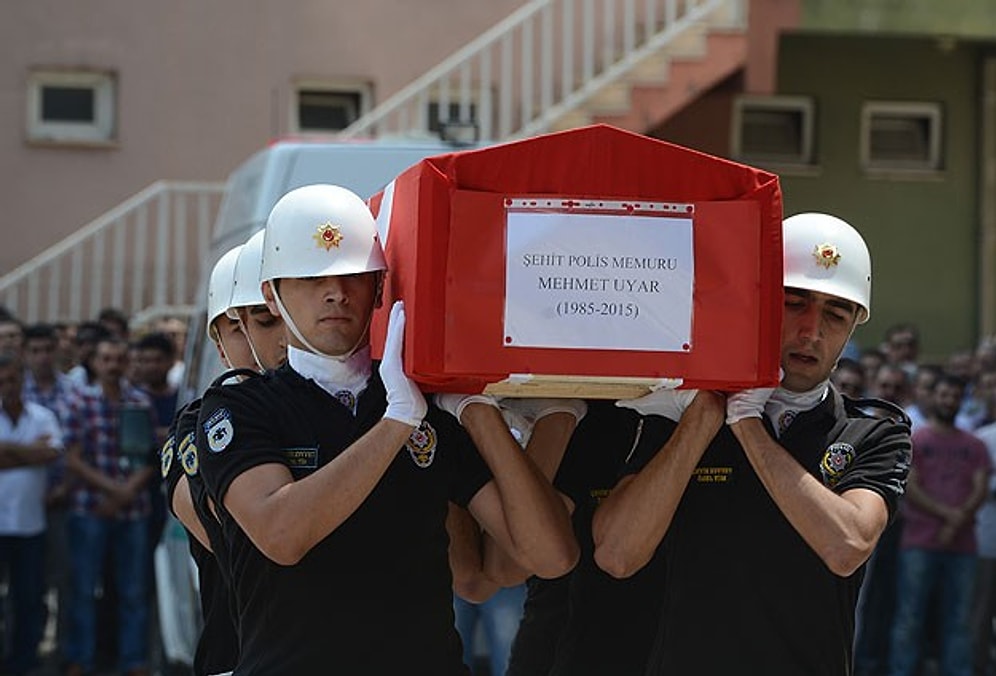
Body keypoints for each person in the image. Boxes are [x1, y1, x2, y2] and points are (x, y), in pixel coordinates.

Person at [196, 184, 577, 674]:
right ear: (272, 295)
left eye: (354, 275)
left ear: (380, 287)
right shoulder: (239, 407)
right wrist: (394, 422)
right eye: (313, 278)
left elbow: (550, 557)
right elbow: (282, 534)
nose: (336, 292)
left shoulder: (422, 404)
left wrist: (474, 408)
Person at [592, 212, 912, 675]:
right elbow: (617, 555)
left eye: (835, 315)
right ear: (759, 304)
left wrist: (747, 427)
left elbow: (846, 545)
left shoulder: (871, 431)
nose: (811, 330)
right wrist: (704, 418)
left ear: (851, 329)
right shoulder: (684, 415)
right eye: (793, 303)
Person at [162, 238, 286, 676]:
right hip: (237, 655)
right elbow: (252, 538)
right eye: (240, 327)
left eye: (276, 321)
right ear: (218, 342)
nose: (263, 340)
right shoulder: (193, 427)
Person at [62, 337, 158, 676]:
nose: (113, 365)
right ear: (95, 362)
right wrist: (114, 491)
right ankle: (81, 658)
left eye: (119, 358)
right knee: (84, 589)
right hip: (90, 508)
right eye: (106, 358)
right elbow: (71, 459)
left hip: (133, 509)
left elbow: (151, 456)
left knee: (132, 591)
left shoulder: (140, 401)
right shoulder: (78, 401)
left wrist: (125, 491)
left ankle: (133, 660)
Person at [889, 373, 991, 676]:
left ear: (962, 401)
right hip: (919, 542)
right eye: (944, 394)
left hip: (964, 545)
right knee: (910, 617)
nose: (949, 401)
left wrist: (954, 519)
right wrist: (949, 516)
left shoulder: (975, 445)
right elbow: (911, 485)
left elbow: (980, 487)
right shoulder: (916, 439)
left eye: (955, 396)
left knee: (959, 621)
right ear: (933, 397)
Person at [0, 354, 63, 676]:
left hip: (30, 524)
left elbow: (52, 454)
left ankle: (24, 660)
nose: (6, 388)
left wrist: (7, 449)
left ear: (21, 381)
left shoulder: (42, 416)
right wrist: (29, 453)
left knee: (29, 596)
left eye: (12, 380)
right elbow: (39, 454)